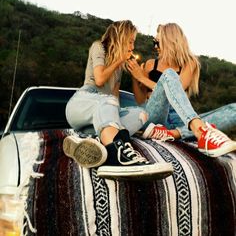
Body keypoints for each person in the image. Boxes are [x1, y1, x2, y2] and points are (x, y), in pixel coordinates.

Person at [63, 20, 173, 180]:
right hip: (82, 104)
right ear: (121, 38)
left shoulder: (119, 69)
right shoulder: (98, 47)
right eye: (130, 42)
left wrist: (135, 75)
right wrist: (119, 60)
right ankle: (117, 154)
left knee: (141, 114)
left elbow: (115, 100)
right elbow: (100, 80)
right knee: (108, 101)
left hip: (100, 115)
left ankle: (93, 142)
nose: (132, 47)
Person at [126, 23, 236, 157]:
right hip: (154, 115)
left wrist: (142, 79)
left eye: (158, 42)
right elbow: (140, 99)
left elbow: (177, 89)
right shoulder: (150, 64)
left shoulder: (189, 63)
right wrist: (136, 77)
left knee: (234, 109)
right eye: (154, 42)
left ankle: (173, 133)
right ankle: (200, 132)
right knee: (170, 74)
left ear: (170, 41)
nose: (155, 46)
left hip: (180, 118)